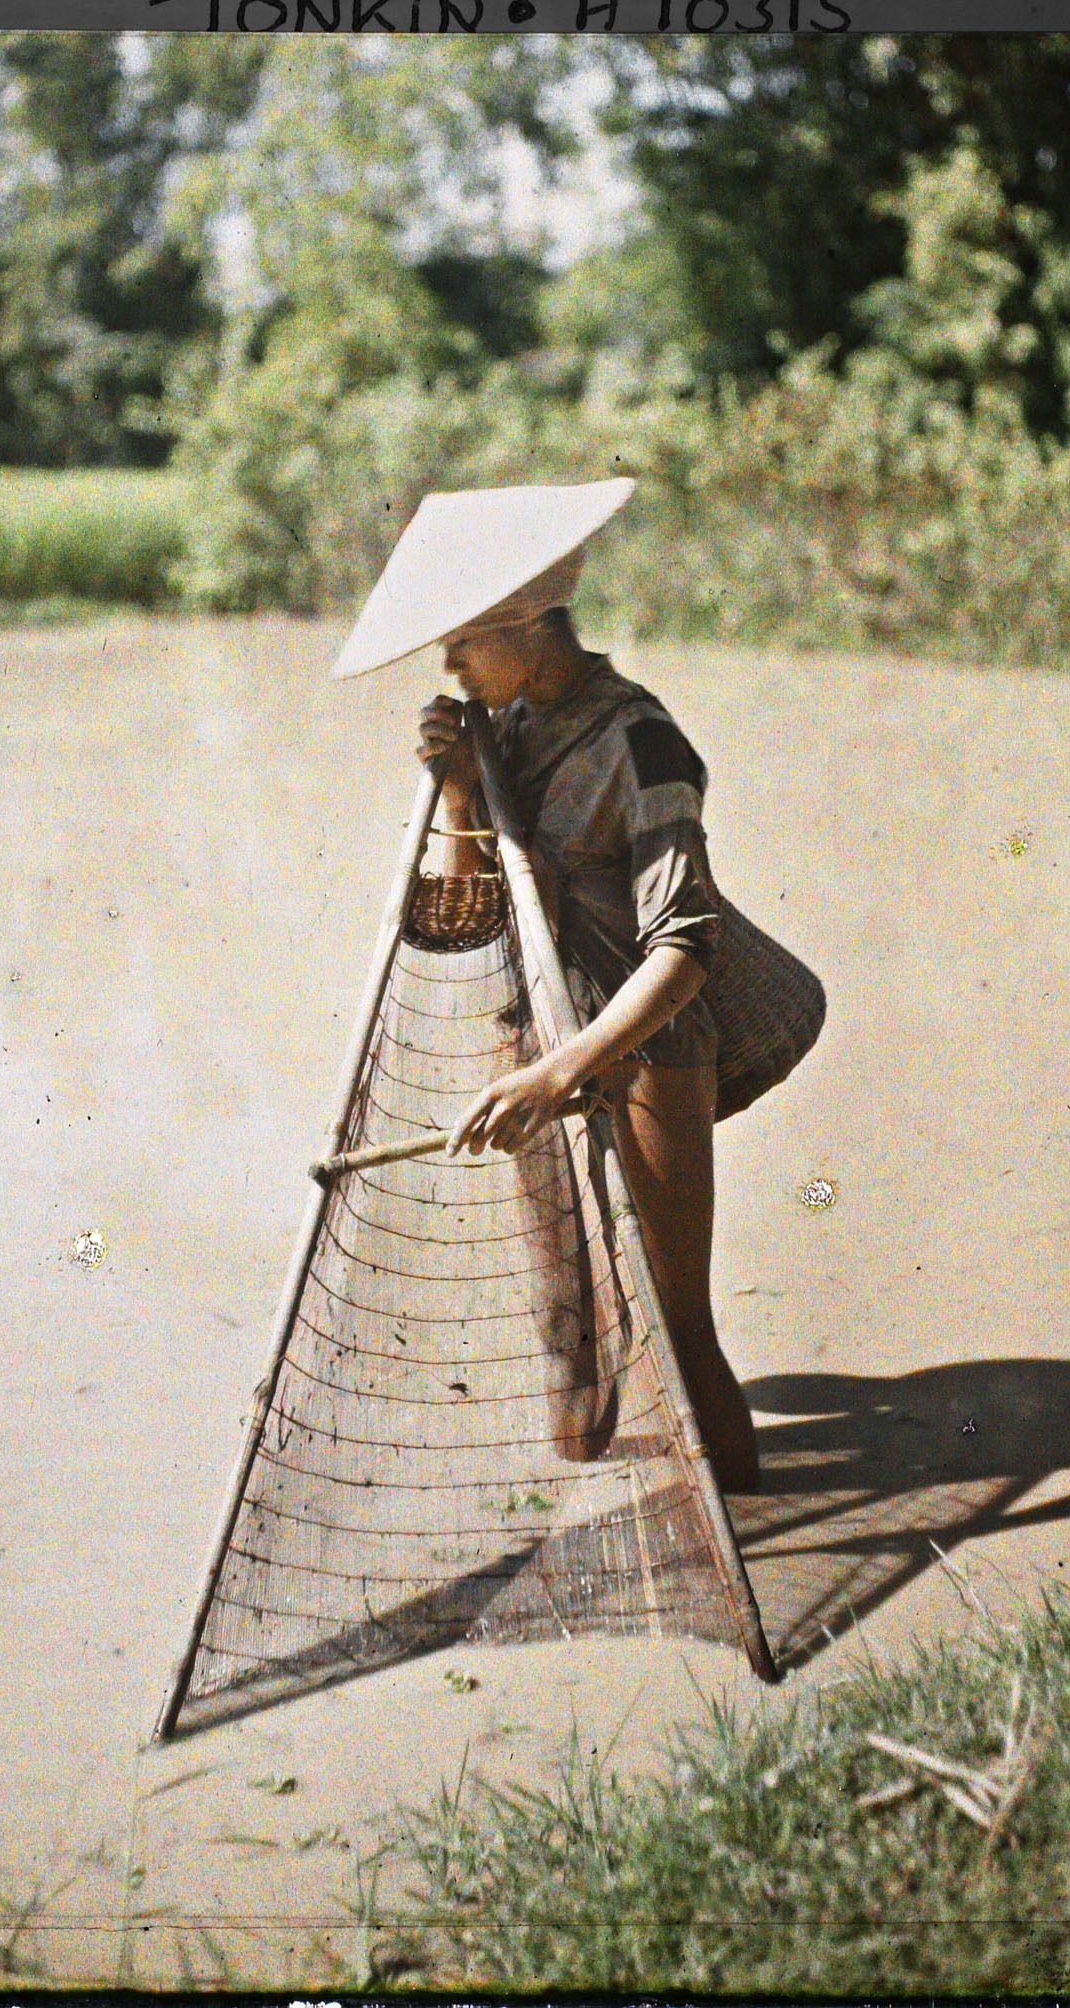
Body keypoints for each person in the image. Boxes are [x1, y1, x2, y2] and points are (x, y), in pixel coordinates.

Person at [334, 478, 783, 1496]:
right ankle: (582, 1498)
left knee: (674, 1324)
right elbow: (469, 921)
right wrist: (459, 791)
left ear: (530, 620)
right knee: (563, 1320)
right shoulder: (505, 731)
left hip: (641, 1049)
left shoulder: (641, 739)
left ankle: (748, 1528)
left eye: (462, 639)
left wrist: (562, 1073)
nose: (447, 664)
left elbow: (686, 944)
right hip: (529, 1033)